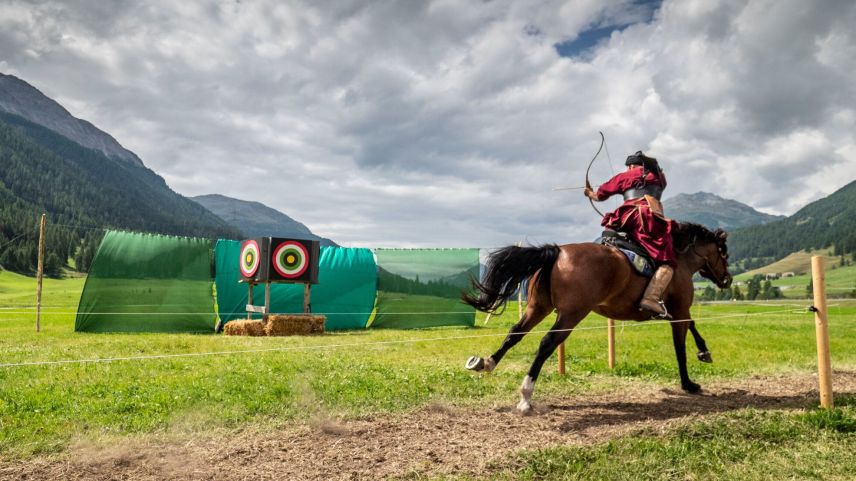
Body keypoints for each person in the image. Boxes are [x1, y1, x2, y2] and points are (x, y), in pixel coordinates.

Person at [583, 151, 676, 318]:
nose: (629, 169)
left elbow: (599, 195)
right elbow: (660, 176)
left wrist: (589, 193)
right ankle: (651, 298)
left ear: (631, 166)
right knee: (666, 260)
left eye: (630, 167)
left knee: (611, 237)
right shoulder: (658, 176)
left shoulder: (622, 177)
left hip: (625, 217)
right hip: (648, 217)